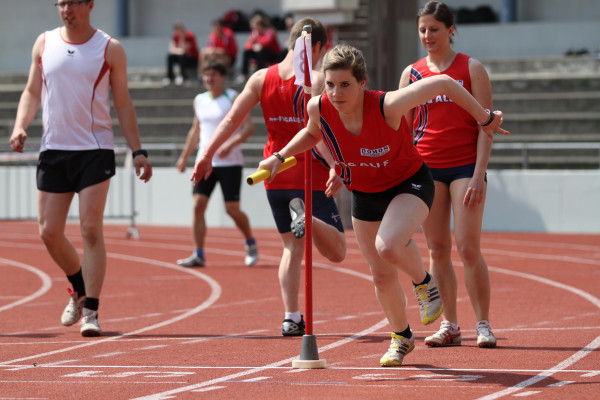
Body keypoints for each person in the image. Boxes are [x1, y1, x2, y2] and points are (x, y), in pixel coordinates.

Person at [256, 44, 509, 366]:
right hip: (364, 192)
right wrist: (279, 157)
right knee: (380, 275)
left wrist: (485, 118)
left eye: (345, 84)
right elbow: (311, 133)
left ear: (362, 83)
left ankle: (425, 282)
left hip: (409, 184)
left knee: (387, 245)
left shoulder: (387, 105)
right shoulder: (318, 107)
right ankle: (401, 336)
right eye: (330, 84)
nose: (336, 93)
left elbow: (445, 84)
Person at [191, 18, 347, 337]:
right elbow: (322, 132)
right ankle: (308, 218)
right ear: (316, 46)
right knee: (337, 251)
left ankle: (291, 317)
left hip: (273, 172)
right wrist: (336, 165)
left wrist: (207, 153)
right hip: (309, 170)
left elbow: (232, 119)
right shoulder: (319, 80)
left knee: (291, 247)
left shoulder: (261, 77)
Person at [9, 0, 152, 337]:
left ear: (89, 4)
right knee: (48, 232)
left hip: (94, 150)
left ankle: (91, 311)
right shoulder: (44, 42)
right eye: (61, 3)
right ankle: (79, 288)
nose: (66, 9)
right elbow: (31, 91)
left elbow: (123, 103)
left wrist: (138, 151)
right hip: (53, 150)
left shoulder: (109, 48)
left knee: (90, 229)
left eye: (73, 2)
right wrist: (19, 125)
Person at [399, 1, 498, 349]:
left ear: (450, 30)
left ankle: (483, 323)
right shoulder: (411, 73)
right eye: (422, 30)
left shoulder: (471, 68)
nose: (427, 35)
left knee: (468, 248)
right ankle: (450, 325)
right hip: (426, 169)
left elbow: (486, 124)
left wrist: (479, 173)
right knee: (437, 249)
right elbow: (403, 129)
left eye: (434, 29)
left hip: (465, 167)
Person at [175, 60, 258, 268]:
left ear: (222, 76)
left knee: (232, 209)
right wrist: (184, 157)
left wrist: (230, 144)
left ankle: (250, 242)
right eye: (206, 75)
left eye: (213, 74)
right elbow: (195, 131)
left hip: (230, 163)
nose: (209, 79)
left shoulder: (233, 97)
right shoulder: (199, 100)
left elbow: (248, 128)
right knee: (198, 206)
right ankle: (198, 254)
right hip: (204, 162)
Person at [237, 14, 282, 83]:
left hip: (273, 54)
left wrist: (259, 44)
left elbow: (268, 42)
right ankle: (244, 74)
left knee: (261, 51)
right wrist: (253, 46)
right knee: (246, 52)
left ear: (260, 25)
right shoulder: (254, 33)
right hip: (260, 53)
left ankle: (259, 73)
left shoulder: (269, 31)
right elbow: (248, 44)